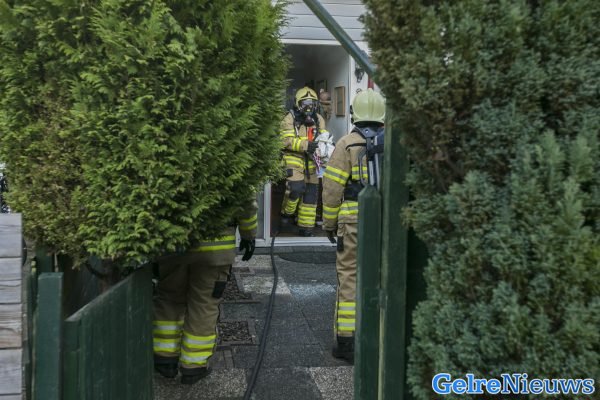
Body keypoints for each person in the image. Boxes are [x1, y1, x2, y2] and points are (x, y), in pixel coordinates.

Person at [152, 200, 257, 384]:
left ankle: (165, 358)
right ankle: (194, 366)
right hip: (214, 250)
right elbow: (246, 200)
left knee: (169, 298)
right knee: (204, 303)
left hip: (173, 244)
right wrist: (248, 235)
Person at [321, 88, 385, 363]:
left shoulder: (346, 144)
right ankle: (380, 337)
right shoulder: (392, 143)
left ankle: (347, 342)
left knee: (349, 276)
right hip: (383, 221)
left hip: (351, 222)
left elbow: (332, 189)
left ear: (354, 114)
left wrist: (329, 224)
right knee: (381, 275)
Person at [279, 86, 330, 236]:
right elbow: (285, 141)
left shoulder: (319, 119)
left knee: (310, 194)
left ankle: (305, 228)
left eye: (311, 104)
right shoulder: (289, 118)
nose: (308, 108)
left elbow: (324, 137)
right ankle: (286, 214)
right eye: (305, 104)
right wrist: (305, 145)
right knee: (295, 188)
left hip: (313, 160)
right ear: (297, 104)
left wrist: (325, 147)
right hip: (294, 159)